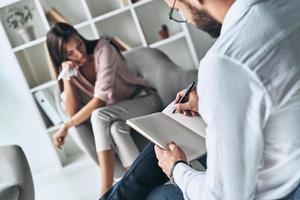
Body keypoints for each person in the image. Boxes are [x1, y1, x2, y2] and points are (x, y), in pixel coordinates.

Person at [99, 0, 300, 199]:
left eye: (177, 9)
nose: (185, 19)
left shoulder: (225, 61)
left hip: (282, 190)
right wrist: (213, 102)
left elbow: (223, 196)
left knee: (156, 195)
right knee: (162, 147)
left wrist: (176, 168)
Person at [46, 22, 162, 195]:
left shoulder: (104, 49)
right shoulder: (71, 70)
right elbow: (72, 112)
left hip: (144, 100)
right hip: (117, 117)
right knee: (115, 129)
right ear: (62, 57)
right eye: (70, 53)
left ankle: (105, 189)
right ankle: (140, 186)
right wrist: (68, 78)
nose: (79, 53)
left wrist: (65, 126)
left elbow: (100, 101)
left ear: (80, 36)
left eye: (79, 43)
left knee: (99, 116)